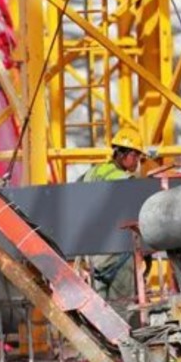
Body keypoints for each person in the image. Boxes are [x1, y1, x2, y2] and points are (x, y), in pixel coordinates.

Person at [79, 126, 145, 303]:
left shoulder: (93, 171)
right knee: (121, 307)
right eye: (136, 155)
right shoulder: (122, 179)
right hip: (116, 253)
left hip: (91, 253)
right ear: (123, 154)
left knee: (95, 308)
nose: (138, 161)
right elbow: (137, 204)